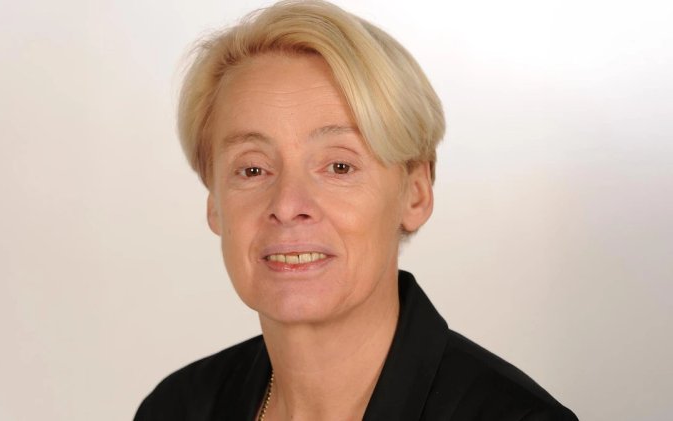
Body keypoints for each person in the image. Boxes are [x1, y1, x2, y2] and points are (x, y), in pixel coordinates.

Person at [134, 1, 577, 420]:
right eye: (252, 169)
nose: (287, 206)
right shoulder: (175, 409)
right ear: (214, 202)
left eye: (339, 166)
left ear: (415, 194)